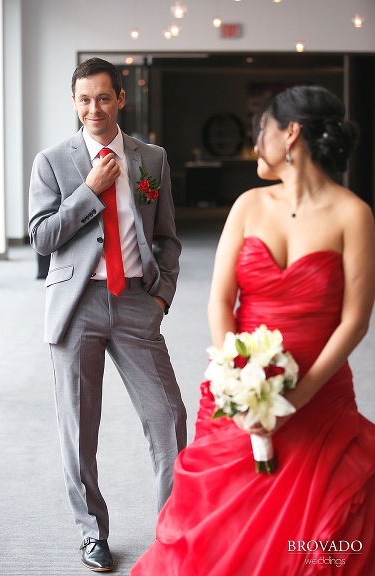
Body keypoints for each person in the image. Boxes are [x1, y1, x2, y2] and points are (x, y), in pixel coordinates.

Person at [132, 86, 375, 575]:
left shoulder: (354, 214)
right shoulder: (249, 205)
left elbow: (355, 320)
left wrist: (295, 399)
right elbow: (221, 301)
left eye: (262, 129)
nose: (256, 140)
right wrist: (241, 384)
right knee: (221, 523)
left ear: (291, 133)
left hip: (318, 395)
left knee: (314, 531)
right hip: (238, 385)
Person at [28, 57, 187, 572]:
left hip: (138, 303)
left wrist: (161, 296)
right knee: (80, 427)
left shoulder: (152, 158)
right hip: (78, 307)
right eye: (83, 99)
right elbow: (42, 237)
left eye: (102, 97)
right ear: (74, 104)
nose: (93, 108)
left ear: (121, 98)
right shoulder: (52, 162)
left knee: (169, 418)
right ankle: (92, 533)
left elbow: (166, 236)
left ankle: (172, 529)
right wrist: (89, 190)